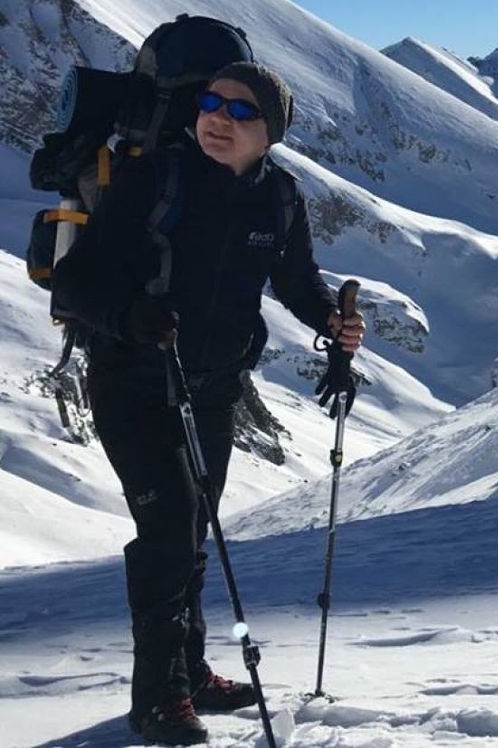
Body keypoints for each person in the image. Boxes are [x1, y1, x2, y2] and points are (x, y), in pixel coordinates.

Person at [53, 60, 365, 746]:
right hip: (133, 383)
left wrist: (332, 323)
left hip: (214, 388)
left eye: (241, 110)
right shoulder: (154, 179)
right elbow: (72, 284)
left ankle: (189, 674)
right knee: (168, 536)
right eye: (210, 102)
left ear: (271, 133)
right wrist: (131, 317)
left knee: (193, 534)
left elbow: (295, 279)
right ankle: (158, 697)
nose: (220, 117)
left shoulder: (278, 197)